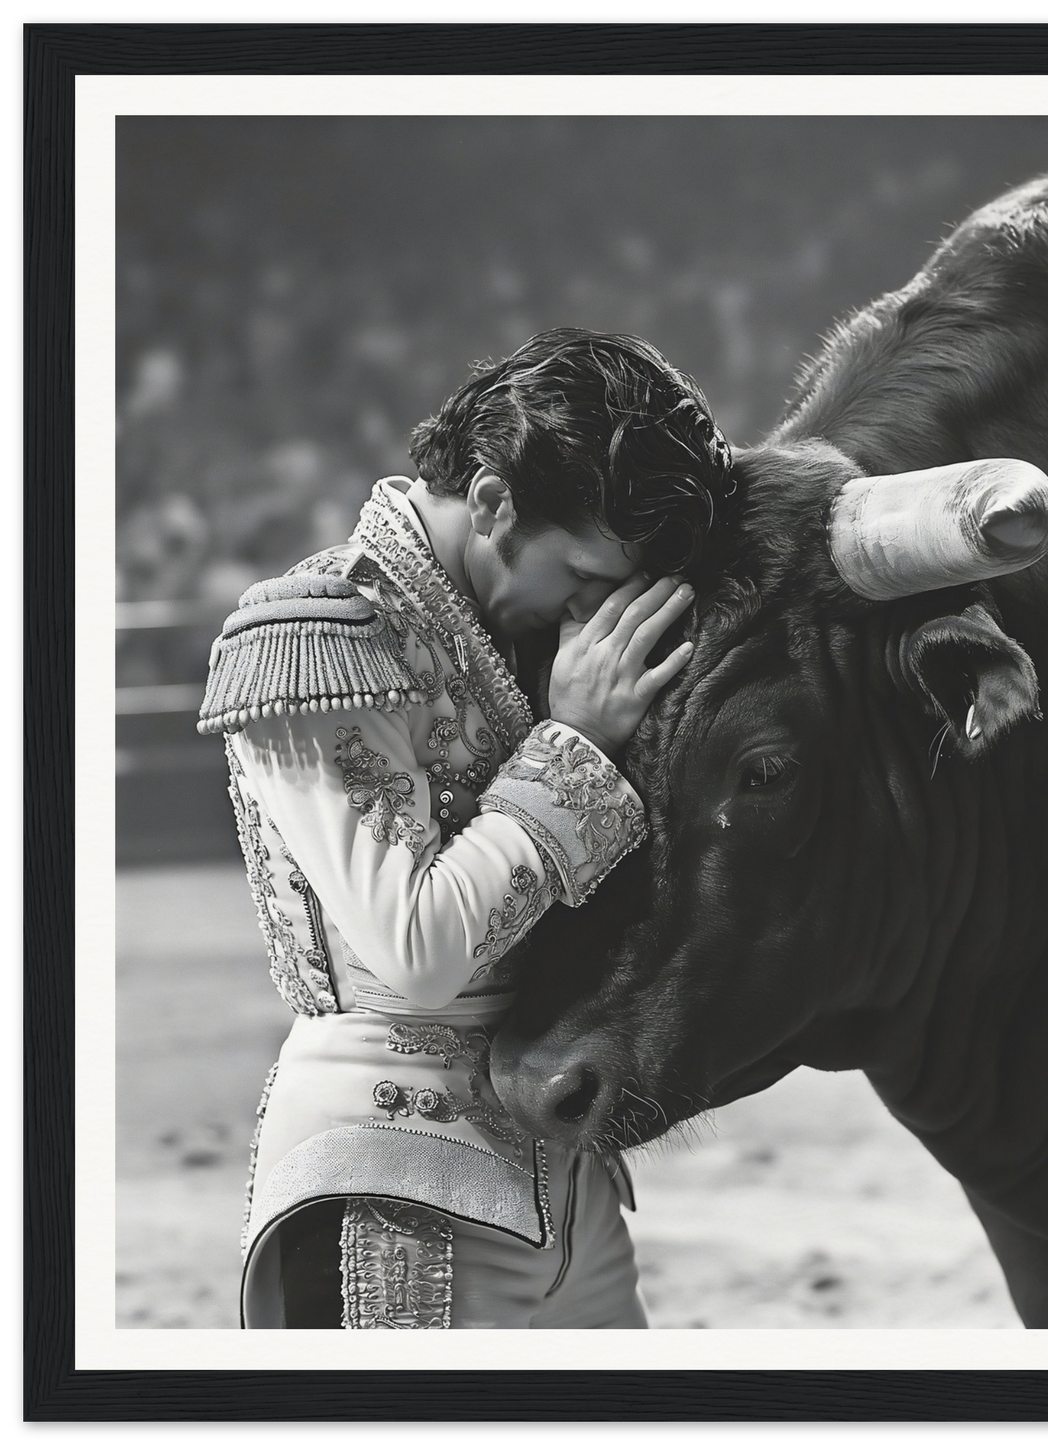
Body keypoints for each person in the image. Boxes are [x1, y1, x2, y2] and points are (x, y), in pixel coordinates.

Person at [199, 329, 736, 1328]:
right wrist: (573, 740)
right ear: (490, 501)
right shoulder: (325, 632)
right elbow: (419, 951)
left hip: (569, 1183)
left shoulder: (510, 630)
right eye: (579, 571)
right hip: (391, 1181)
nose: (591, 608)